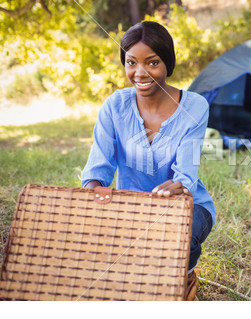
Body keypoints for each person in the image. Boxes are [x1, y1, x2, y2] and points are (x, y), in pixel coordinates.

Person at [81, 21, 215, 300]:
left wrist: (178, 188)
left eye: (152, 63)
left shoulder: (194, 106)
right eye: (131, 62)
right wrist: (95, 193)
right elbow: (97, 168)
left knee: (179, 241)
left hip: (184, 206)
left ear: (167, 63)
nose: (140, 73)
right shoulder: (114, 106)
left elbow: (186, 172)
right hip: (129, 209)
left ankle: (183, 276)